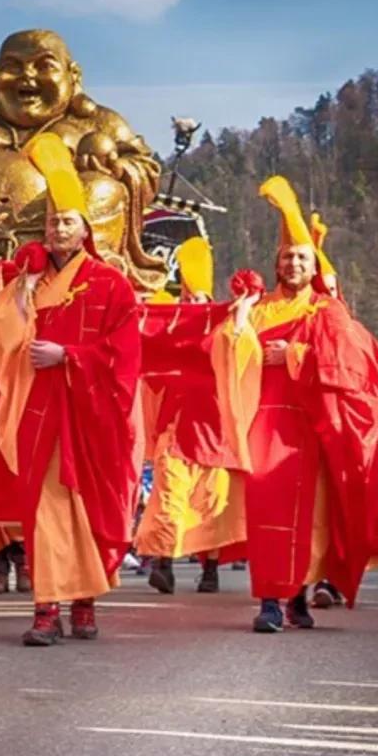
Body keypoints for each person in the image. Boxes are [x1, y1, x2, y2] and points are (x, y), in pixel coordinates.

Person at [0, 133, 141, 646]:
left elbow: (125, 354)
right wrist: (23, 292)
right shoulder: (28, 281)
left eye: (67, 221)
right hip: (39, 416)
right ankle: (46, 609)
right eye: (52, 222)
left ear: (85, 229)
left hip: (89, 416)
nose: (58, 229)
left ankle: (85, 602)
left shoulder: (109, 284)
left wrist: (69, 356)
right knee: (46, 512)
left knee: (87, 510)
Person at [231, 176, 378, 632]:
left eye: (301, 257)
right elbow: (231, 352)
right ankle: (270, 599)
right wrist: (242, 318)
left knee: (312, 518)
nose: (293, 263)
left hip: (313, 423)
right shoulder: (263, 308)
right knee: (268, 514)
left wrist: (294, 355)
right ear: (276, 262)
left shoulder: (327, 312)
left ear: (315, 264)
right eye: (286, 256)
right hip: (265, 424)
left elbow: (354, 364)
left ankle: (300, 596)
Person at [136, 238, 259, 595]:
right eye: (187, 298)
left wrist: (241, 313)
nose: (192, 304)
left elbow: (240, 353)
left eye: (199, 300)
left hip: (212, 429)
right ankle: (163, 562)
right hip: (173, 428)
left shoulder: (222, 329)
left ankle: (209, 568)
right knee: (169, 497)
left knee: (211, 502)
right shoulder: (171, 326)